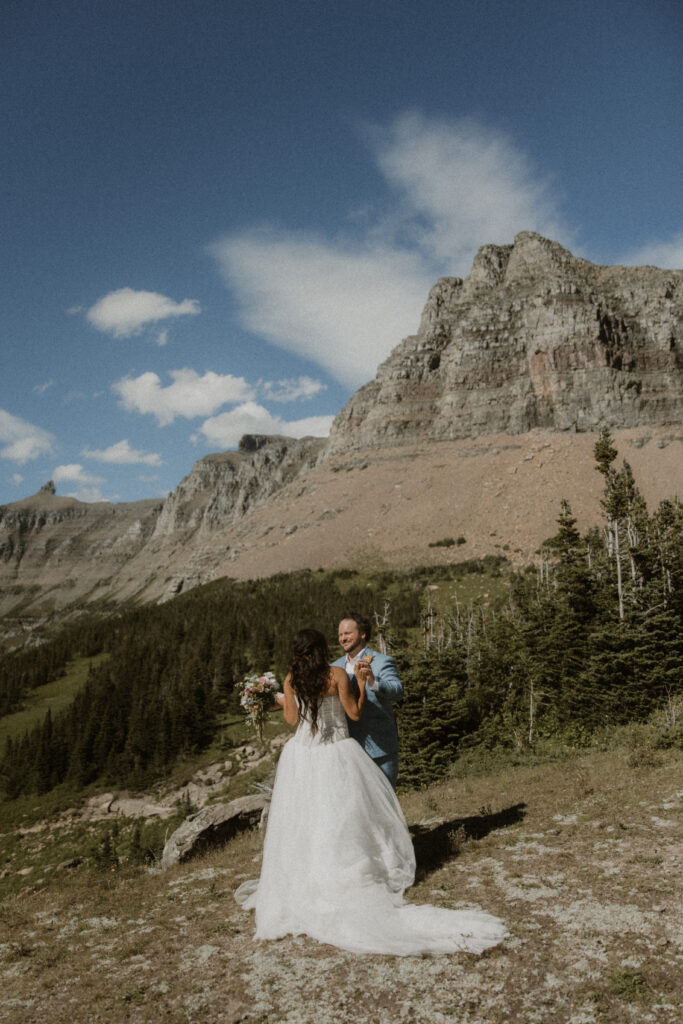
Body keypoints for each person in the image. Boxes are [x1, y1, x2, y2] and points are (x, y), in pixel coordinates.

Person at [235, 628, 507, 956]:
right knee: (340, 819)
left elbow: (292, 720)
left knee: (305, 821)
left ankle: (308, 880)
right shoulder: (336, 675)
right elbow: (354, 713)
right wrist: (362, 686)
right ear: (321, 650)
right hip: (336, 753)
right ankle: (343, 876)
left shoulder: (292, 679)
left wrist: (279, 699)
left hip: (302, 756)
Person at [333, 611, 403, 788]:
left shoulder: (382, 662)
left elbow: (397, 691)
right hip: (347, 752)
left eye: (347, 633)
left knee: (384, 800)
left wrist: (373, 681)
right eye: (340, 634)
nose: (343, 638)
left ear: (362, 634)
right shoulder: (333, 667)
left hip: (380, 750)